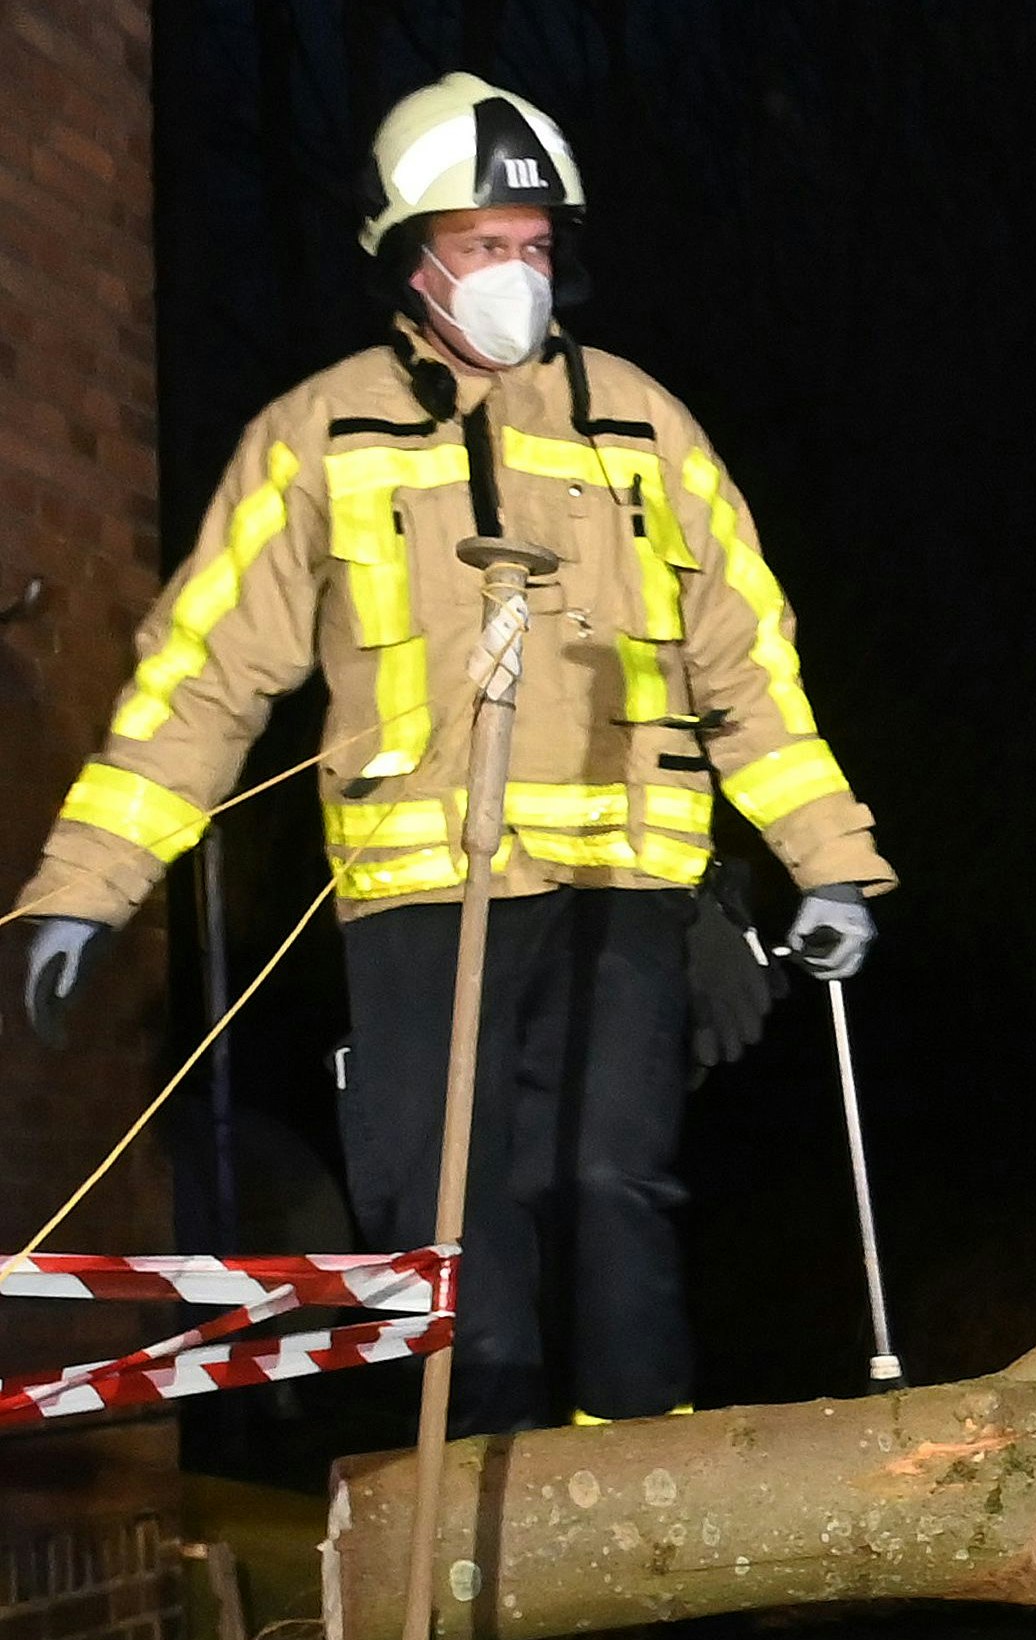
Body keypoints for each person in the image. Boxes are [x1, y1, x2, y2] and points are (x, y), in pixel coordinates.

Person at [11, 75, 893, 1437]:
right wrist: (87, 884)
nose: (517, 275)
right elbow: (202, 675)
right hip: (424, 900)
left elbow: (749, 668)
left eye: (536, 247)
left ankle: (634, 1527)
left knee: (616, 1188)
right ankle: (481, 1546)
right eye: (486, 247)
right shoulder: (319, 437)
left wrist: (829, 866)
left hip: (627, 885)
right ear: (409, 254)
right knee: (448, 1217)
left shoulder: (646, 430)